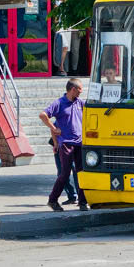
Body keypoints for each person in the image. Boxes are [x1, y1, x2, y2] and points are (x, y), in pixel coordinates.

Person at [39, 78, 88, 212]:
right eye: (80, 89)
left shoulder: (80, 103)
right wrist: (53, 129)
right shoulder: (59, 103)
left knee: (82, 173)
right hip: (66, 143)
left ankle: (83, 202)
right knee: (65, 173)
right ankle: (53, 200)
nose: (81, 92)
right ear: (73, 89)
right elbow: (43, 115)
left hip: (80, 143)